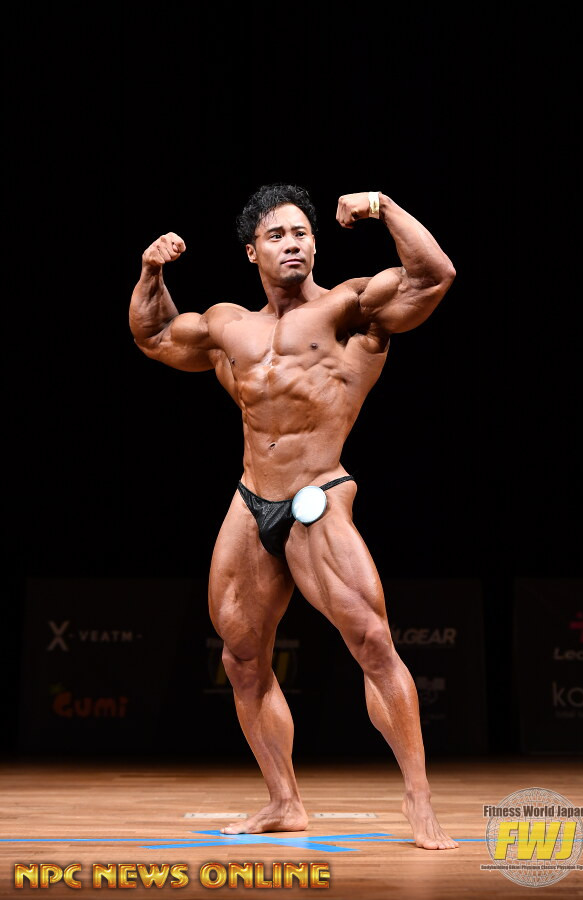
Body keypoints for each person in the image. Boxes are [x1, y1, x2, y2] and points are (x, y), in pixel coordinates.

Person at [129, 185, 458, 850]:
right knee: (241, 658)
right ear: (252, 252)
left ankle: (418, 798)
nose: (293, 244)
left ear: (316, 245)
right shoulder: (228, 325)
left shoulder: (350, 308)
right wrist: (150, 273)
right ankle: (283, 802)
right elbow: (156, 334)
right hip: (251, 499)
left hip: (317, 493)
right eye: (277, 235)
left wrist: (382, 207)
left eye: (302, 233)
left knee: (372, 643)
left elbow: (433, 275)